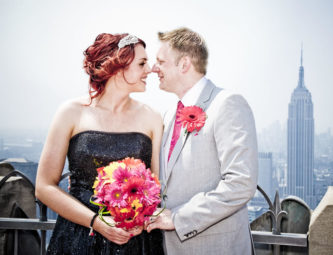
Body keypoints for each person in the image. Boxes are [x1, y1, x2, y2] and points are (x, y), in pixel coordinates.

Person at [35, 33, 164, 254]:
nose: (150, 69)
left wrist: (140, 221)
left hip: (134, 242)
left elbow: (158, 189)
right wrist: (96, 222)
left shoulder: (152, 118)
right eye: (142, 63)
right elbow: (44, 187)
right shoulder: (71, 112)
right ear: (118, 65)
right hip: (78, 237)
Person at [147, 27, 258, 254]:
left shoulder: (227, 103)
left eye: (161, 61)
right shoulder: (169, 115)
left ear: (184, 64)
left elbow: (241, 183)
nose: (153, 68)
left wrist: (178, 218)